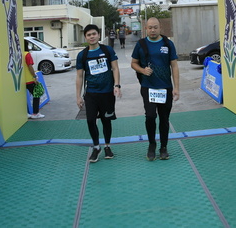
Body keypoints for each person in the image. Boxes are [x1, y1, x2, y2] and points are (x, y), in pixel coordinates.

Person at [131, 17, 180, 161]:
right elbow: (133, 63)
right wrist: (142, 70)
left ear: (160, 28)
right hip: (148, 87)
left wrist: (176, 87)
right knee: (150, 116)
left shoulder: (168, 44)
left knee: (164, 118)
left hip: (165, 88)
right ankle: (152, 144)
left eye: (155, 27)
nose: (153, 30)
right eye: (150, 27)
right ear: (146, 28)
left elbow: (174, 66)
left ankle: (163, 147)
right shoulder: (140, 44)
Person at [76, 24, 122, 163]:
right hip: (91, 94)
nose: (92, 37)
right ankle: (96, 147)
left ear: (98, 35)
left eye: (94, 34)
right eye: (89, 35)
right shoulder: (82, 55)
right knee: (90, 120)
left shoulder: (107, 50)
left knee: (106, 120)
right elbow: (79, 76)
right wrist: (78, 96)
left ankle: (107, 146)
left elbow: (115, 68)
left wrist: (117, 85)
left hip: (107, 93)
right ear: (85, 37)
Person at [23, 39, 45, 119]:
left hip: (21, 80)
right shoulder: (27, 54)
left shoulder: (19, 54)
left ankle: (25, 113)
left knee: (22, 97)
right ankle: (35, 113)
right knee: (36, 95)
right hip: (29, 79)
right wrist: (34, 76)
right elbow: (30, 66)